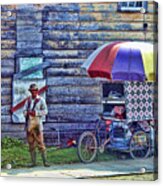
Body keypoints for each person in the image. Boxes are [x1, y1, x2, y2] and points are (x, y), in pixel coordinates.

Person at [23, 83, 50, 167]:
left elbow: (45, 111)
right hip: (29, 125)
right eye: (32, 91)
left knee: (41, 143)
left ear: (37, 91)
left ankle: (45, 162)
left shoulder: (41, 100)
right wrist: (27, 113)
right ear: (30, 91)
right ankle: (33, 162)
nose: (33, 92)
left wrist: (36, 113)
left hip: (38, 125)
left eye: (35, 90)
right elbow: (23, 111)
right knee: (31, 144)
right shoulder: (28, 101)